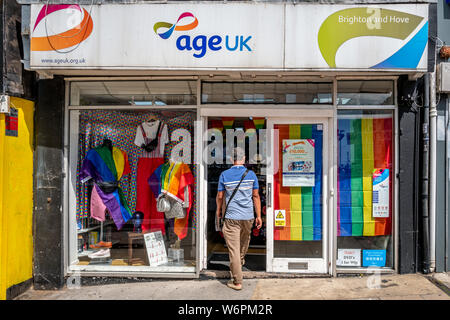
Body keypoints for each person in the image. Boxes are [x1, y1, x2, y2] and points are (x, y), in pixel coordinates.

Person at [216, 147, 262, 290]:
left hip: (231, 217)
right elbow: (255, 196)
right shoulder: (252, 174)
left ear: (231, 159)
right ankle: (239, 263)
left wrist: (218, 211)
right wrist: (258, 215)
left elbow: (220, 196)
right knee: (243, 242)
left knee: (234, 249)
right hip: (248, 216)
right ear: (244, 159)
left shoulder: (224, 174)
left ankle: (237, 281)